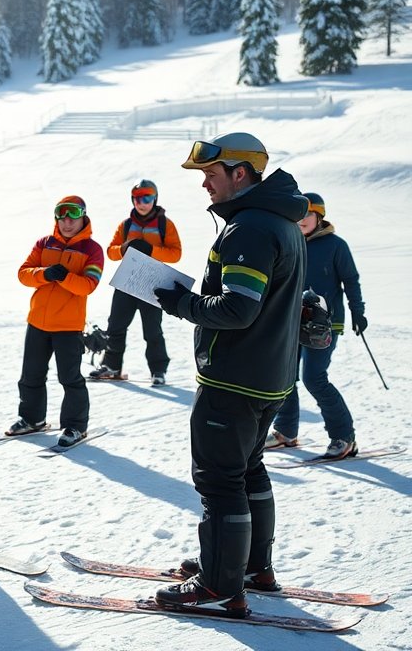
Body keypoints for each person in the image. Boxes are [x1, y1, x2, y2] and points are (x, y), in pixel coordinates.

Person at [151, 132, 308, 616]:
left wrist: (180, 303)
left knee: (219, 480)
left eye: (210, 175)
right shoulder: (278, 222)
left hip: (235, 378)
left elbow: (238, 309)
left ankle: (220, 584)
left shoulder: (252, 228)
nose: (205, 186)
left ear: (240, 173)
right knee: (247, 470)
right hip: (268, 376)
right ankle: (251, 567)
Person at [267, 192, 366, 458]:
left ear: (319, 216)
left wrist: (358, 311)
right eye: (299, 214)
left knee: (314, 377)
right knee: (286, 376)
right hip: (292, 320)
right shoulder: (290, 242)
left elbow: (351, 280)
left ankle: (344, 437)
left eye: (307, 214)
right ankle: (286, 431)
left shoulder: (335, 245)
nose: (301, 219)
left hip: (325, 323)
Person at [6, 195, 105, 447]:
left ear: (83, 216)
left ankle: (75, 426)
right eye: (61, 215)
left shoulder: (92, 250)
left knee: (70, 378)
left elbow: (89, 286)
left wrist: (64, 277)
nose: (67, 221)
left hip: (68, 326)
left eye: (72, 215)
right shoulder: (44, 243)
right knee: (31, 375)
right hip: (38, 321)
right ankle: (32, 419)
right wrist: (44, 274)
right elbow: (23, 274)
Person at [88, 180, 182, 385]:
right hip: (127, 280)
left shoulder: (165, 224)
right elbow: (111, 252)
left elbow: (176, 254)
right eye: (138, 198)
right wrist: (124, 248)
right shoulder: (126, 225)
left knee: (152, 330)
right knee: (115, 326)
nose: (142, 202)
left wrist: (152, 250)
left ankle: (158, 371)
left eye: (147, 197)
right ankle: (111, 366)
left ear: (155, 198)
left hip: (152, 283)